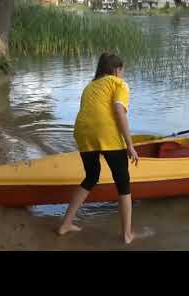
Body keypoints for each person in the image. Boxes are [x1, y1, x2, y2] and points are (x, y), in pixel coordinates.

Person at [58, 52, 139, 244]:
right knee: (123, 182)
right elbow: (119, 111)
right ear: (117, 70)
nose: (122, 74)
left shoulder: (89, 86)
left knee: (92, 176)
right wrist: (129, 145)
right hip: (105, 133)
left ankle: (65, 224)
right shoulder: (119, 83)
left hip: (82, 132)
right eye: (122, 70)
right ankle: (127, 234)